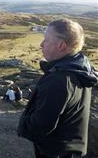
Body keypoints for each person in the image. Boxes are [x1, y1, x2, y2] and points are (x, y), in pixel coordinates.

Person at [17, 19, 98, 158]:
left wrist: (23, 124)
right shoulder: (82, 69)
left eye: (46, 40)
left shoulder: (59, 80)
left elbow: (41, 126)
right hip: (72, 148)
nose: (41, 44)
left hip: (56, 152)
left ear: (61, 45)